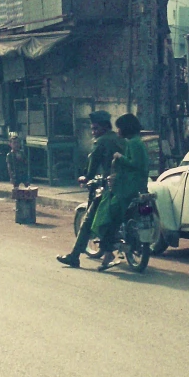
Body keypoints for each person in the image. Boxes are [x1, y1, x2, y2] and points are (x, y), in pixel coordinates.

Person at [56, 111, 124, 268]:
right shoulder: (120, 139)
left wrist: (85, 177)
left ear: (104, 127)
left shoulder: (101, 142)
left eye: (95, 129)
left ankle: (74, 256)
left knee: (88, 219)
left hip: (111, 186)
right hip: (127, 184)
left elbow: (92, 166)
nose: (93, 132)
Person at [95, 113, 149, 271]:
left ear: (126, 128)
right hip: (137, 185)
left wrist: (119, 157)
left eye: (119, 127)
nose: (117, 130)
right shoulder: (137, 142)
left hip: (128, 188)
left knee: (108, 216)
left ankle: (108, 254)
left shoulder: (133, 143)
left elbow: (135, 164)